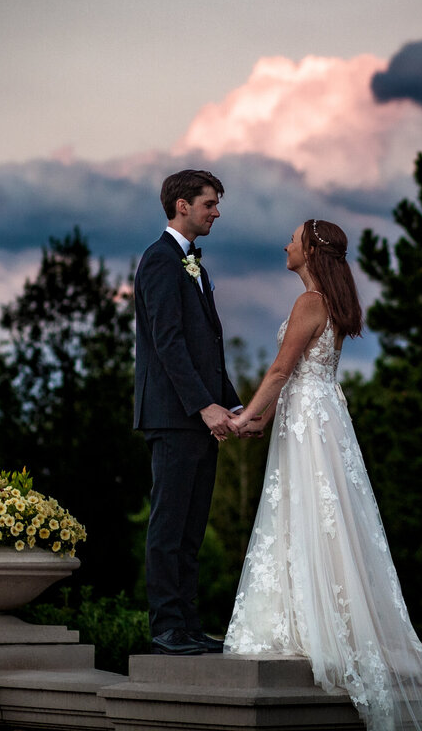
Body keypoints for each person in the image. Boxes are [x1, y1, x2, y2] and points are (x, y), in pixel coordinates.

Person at [224, 220, 422, 730]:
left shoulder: (309, 302)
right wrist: (262, 418)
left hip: (308, 419)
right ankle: (329, 621)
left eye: (292, 238)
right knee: (326, 517)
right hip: (323, 414)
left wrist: (243, 417)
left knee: (306, 511)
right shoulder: (331, 302)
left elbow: (281, 371)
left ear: (309, 250)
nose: (285, 244)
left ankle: (314, 627)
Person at [134, 169, 243, 656]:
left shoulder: (192, 263)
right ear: (182, 205)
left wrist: (234, 405)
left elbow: (209, 347)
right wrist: (204, 405)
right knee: (169, 523)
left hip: (199, 417)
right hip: (174, 416)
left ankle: (189, 624)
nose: (216, 212)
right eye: (209, 203)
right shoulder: (159, 260)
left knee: (192, 527)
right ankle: (166, 628)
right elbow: (169, 343)